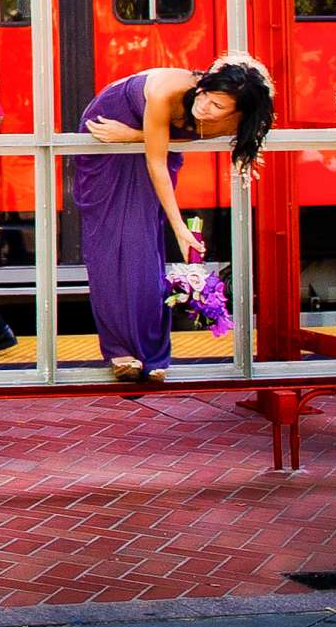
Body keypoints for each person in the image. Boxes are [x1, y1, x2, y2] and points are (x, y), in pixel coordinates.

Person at [72, 57, 274, 383]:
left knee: (142, 246)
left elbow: (173, 142)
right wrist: (180, 227)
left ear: (238, 113)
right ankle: (118, 350)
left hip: (135, 134)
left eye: (218, 105)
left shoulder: (233, 123)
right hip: (111, 123)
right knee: (107, 246)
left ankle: (152, 354)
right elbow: (156, 162)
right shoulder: (169, 89)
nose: (205, 107)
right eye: (205, 94)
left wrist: (134, 137)